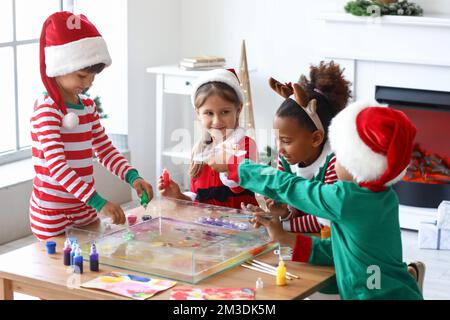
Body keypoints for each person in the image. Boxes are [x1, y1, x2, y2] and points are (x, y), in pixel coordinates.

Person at [214, 97, 424, 299]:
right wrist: (284, 238)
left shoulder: (345, 200)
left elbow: (290, 186)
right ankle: (412, 276)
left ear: (358, 163)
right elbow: (340, 251)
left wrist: (238, 167)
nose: (333, 162)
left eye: (339, 156)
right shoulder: (383, 197)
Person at [30, 12, 153, 240]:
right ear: (59, 67)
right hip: (52, 213)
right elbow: (57, 167)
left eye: (92, 78)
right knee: (55, 268)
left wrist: (132, 177)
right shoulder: (47, 109)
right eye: (81, 76)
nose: (87, 84)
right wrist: (98, 201)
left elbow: (105, 150)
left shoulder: (86, 106)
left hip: (84, 209)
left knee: (90, 266)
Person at [264, 61, 351, 233]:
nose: (279, 149)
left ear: (316, 138)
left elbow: (326, 218)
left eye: (286, 141)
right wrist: (284, 213)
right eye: (277, 140)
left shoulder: (334, 162)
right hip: (301, 235)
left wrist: (284, 226)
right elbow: (291, 204)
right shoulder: (286, 158)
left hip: (331, 238)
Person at [157, 68, 258, 209]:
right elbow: (198, 196)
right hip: (207, 225)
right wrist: (179, 196)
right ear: (198, 114)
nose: (217, 121)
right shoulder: (199, 151)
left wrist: (227, 166)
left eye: (225, 112)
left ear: (238, 109)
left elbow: (238, 185)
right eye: (209, 113)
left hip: (241, 223)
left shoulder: (246, 145)